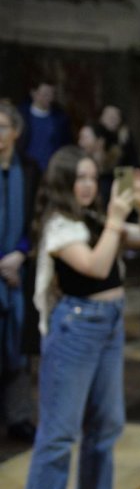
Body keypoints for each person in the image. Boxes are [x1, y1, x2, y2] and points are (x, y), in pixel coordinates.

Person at [18, 146, 140, 489]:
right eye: (78, 177)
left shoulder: (95, 218)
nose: (87, 185)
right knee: (61, 431)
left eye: (91, 176)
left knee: (106, 425)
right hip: (76, 328)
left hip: (109, 324)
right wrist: (116, 219)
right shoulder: (59, 226)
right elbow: (97, 267)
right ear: (64, 183)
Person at [0, 101, 39, 443]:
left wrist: (19, 255)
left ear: (15, 132)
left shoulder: (28, 170)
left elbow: (34, 221)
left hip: (17, 271)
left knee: (18, 346)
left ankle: (18, 416)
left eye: (2, 127)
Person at [17, 82, 71, 172]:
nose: (49, 98)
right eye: (45, 94)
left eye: (52, 94)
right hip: (24, 168)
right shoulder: (21, 115)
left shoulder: (60, 119)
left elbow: (65, 145)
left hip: (49, 169)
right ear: (34, 93)